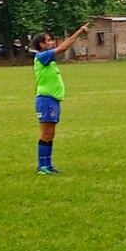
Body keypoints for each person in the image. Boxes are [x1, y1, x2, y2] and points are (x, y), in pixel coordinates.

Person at [31, 24, 90, 173]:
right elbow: (63, 48)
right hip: (45, 100)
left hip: (52, 100)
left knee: (51, 133)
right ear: (41, 44)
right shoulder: (41, 56)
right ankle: (42, 166)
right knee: (46, 133)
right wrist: (79, 31)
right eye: (49, 40)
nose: (51, 43)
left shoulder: (49, 60)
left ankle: (47, 165)